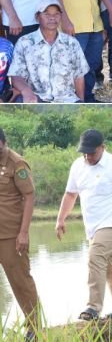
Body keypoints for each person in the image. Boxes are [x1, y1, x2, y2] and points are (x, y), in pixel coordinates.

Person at [56, 129, 112, 321]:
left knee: (95, 257)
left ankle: (93, 307)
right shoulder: (77, 166)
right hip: (93, 227)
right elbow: (71, 194)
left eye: (92, 152)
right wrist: (60, 219)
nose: (88, 156)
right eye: (84, 152)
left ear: (102, 148)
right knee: (110, 268)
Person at [0, 129, 40, 340]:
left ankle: (34, 327)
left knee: (20, 282)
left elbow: (29, 196)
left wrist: (23, 233)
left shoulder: (17, 163)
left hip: (10, 235)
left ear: (4, 142)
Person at [9, 0, 88, 103]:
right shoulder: (25, 42)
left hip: (67, 100)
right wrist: (27, 92)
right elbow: (16, 75)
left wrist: (81, 102)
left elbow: (79, 76)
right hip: (36, 98)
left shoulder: (71, 43)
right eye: (47, 14)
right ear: (37, 17)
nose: (52, 18)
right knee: (19, 102)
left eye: (56, 14)